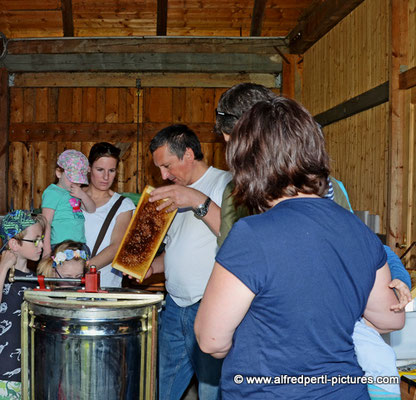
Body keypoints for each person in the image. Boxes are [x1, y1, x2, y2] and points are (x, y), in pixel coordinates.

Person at [194, 97, 405, 399]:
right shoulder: (357, 228)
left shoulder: (251, 235)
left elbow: (210, 340)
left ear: (250, 163)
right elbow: (390, 318)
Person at [144, 124, 231, 400]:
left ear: (189, 154)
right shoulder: (175, 191)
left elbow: (234, 236)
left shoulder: (227, 183)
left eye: (167, 166)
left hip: (209, 308)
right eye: (159, 168)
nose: (163, 175)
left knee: (211, 392)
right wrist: (152, 267)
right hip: (174, 307)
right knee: (161, 390)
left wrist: (196, 199)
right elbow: (179, 248)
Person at [0, 210, 45, 399]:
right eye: (36, 240)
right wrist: (3, 267)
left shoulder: (38, 280)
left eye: (42, 239)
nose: (41, 245)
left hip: (34, 368)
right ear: (14, 243)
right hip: (4, 368)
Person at [82, 142, 135, 288]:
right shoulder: (73, 197)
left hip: (104, 284)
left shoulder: (123, 204)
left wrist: (80, 270)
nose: (106, 177)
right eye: (100, 169)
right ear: (89, 168)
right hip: (66, 283)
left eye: (111, 170)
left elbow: (117, 246)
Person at [41, 149, 95, 258]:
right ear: (58, 173)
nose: (76, 183)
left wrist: (82, 195)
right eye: (72, 178)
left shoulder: (76, 192)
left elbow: (91, 209)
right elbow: (46, 222)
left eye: (79, 180)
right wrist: (46, 250)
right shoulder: (53, 192)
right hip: (60, 246)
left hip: (79, 245)